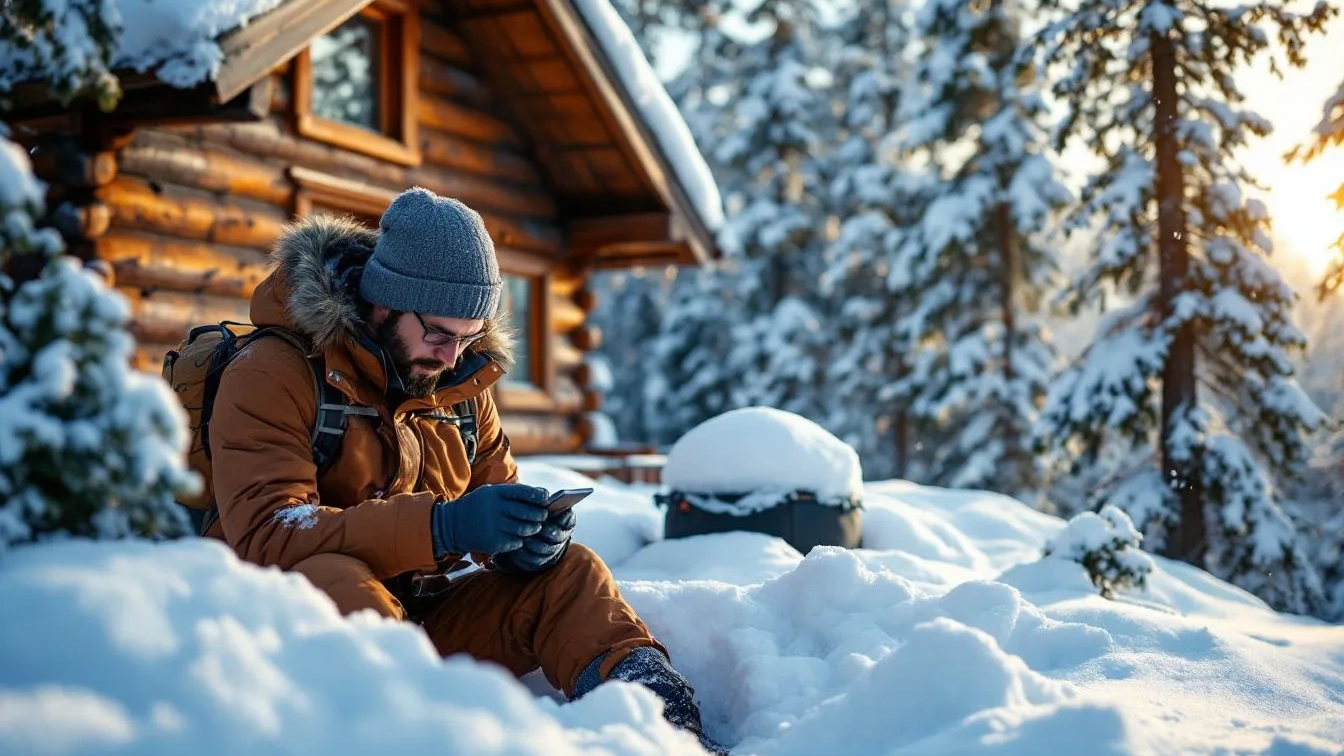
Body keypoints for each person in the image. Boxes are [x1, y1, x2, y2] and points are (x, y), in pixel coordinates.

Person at [206, 187, 723, 753]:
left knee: (569, 573)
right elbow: (269, 533)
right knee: (334, 579)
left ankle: (664, 728)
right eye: (438, 334)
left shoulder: (457, 381)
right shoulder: (272, 371)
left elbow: (494, 490)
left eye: (469, 337)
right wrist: (441, 528)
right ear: (382, 303)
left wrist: (522, 538)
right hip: (291, 632)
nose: (453, 356)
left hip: (420, 618)